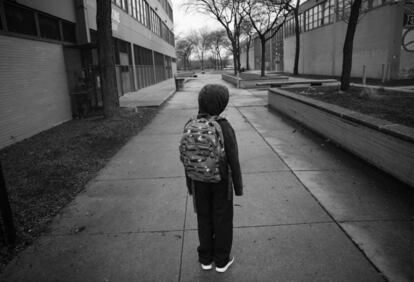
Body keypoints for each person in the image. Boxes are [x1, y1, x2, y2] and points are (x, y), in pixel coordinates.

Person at [184, 84, 243, 273]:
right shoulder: (224, 126)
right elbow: (233, 158)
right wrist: (238, 187)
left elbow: (187, 159)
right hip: (221, 182)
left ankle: (206, 259)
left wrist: (190, 186)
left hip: (198, 181)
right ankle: (221, 260)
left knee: (204, 217)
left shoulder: (190, 124)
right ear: (221, 105)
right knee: (222, 219)